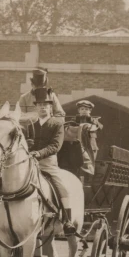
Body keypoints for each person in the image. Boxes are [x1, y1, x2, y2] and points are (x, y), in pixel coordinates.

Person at [24, 87, 77, 236]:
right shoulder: (30, 126)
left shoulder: (57, 124)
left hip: (48, 163)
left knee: (60, 186)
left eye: (46, 105)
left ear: (51, 107)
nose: (42, 107)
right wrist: (27, 146)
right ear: (36, 107)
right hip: (29, 162)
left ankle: (67, 220)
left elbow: (55, 146)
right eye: (39, 105)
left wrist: (39, 153)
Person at [58, 99, 101, 177]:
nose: (84, 111)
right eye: (82, 109)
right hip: (77, 145)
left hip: (91, 147)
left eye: (87, 109)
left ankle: (87, 177)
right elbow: (68, 127)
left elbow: (99, 127)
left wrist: (92, 123)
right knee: (75, 162)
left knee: (89, 164)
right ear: (79, 110)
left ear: (90, 111)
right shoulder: (74, 120)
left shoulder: (93, 120)